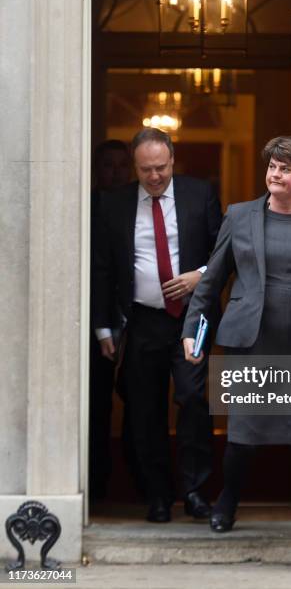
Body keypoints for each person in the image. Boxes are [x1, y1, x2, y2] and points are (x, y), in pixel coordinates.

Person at [182, 136, 291, 574]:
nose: (275, 174)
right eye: (272, 167)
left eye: (285, 169)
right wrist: (193, 332)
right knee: (243, 438)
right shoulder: (239, 216)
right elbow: (212, 280)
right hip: (250, 347)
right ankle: (228, 500)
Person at [93, 128, 222, 522]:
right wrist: (103, 328)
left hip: (191, 319)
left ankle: (196, 491)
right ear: (135, 166)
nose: (154, 177)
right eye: (146, 170)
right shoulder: (113, 203)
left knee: (192, 399)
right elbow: (102, 268)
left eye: (161, 168)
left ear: (172, 159)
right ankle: (157, 496)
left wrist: (199, 275)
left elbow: (226, 251)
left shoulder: (199, 194)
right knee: (144, 411)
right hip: (142, 320)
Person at [90, 139, 132, 499]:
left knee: (137, 402)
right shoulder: (85, 207)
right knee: (97, 404)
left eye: (122, 165)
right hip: (95, 324)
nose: (116, 172)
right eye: (108, 165)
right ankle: (98, 484)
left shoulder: (141, 206)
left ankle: (140, 483)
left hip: (137, 319)